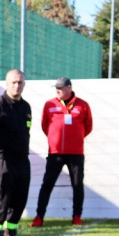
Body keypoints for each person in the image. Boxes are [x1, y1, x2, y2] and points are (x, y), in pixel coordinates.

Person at [33, 76, 93, 226]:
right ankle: (39, 217)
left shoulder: (83, 105)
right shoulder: (49, 104)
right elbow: (45, 125)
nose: (57, 90)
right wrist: (55, 139)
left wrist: (76, 138)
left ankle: (77, 216)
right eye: (56, 88)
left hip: (76, 154)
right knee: (47, 184)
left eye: (60, 88)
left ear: (69, 88)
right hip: (55, 153)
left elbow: (88, 126)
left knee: (77, 185)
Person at [0, 69, 32, 236]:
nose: (17, 85)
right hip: (2, 159)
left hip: (22, 161)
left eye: (20, 82)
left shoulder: (26, 107)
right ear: (7, 83)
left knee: (18, 201)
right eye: (13, 82)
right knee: (0, 201)